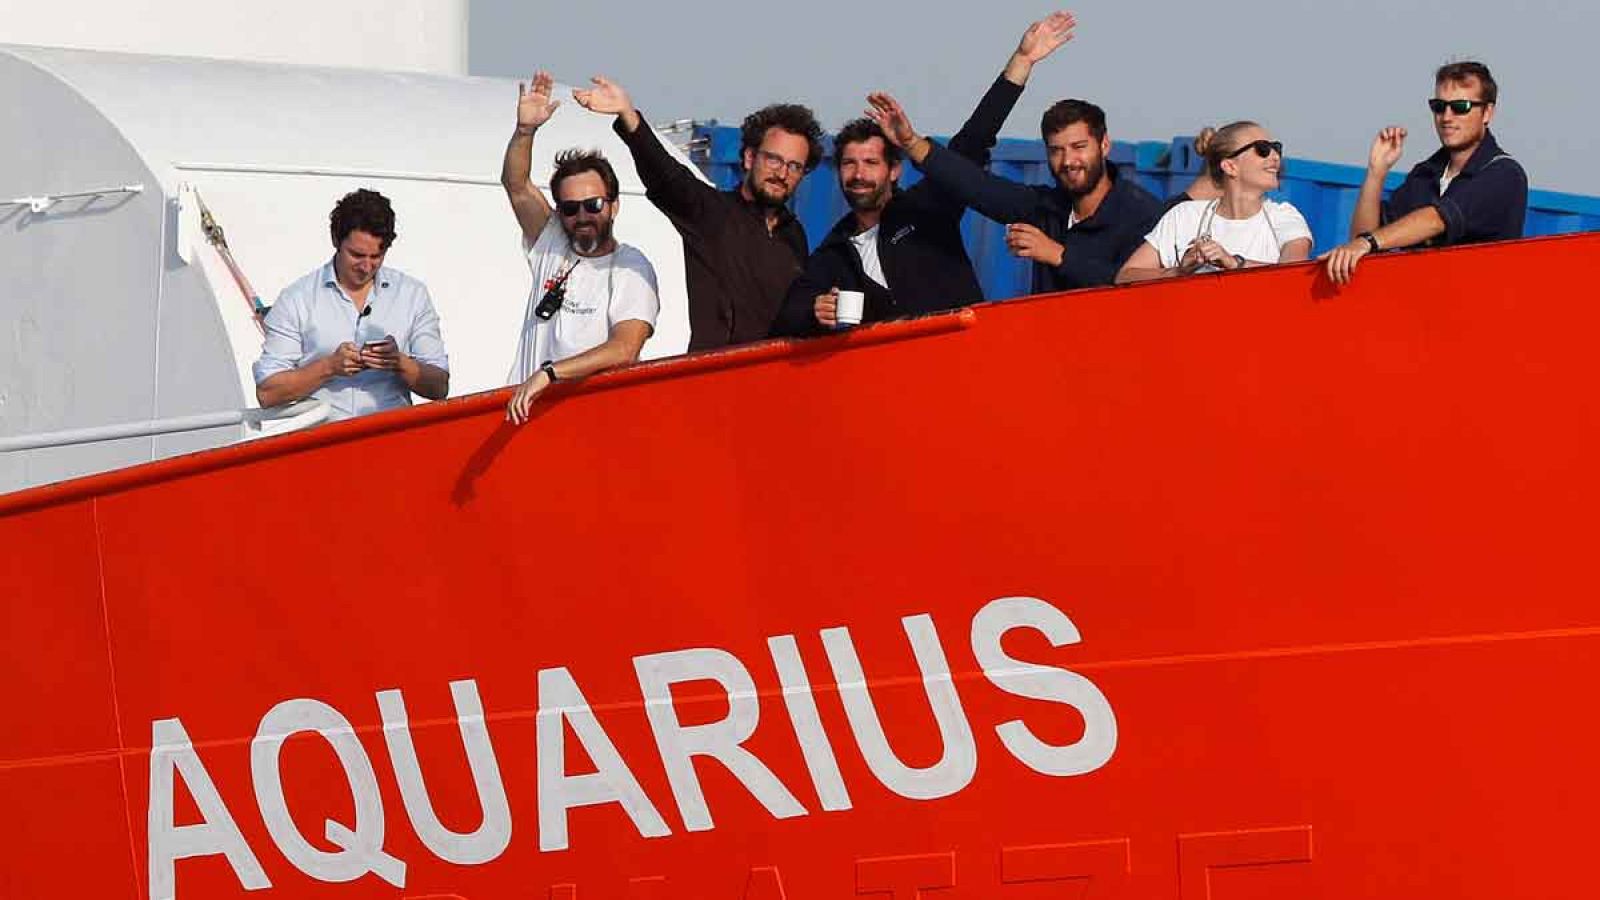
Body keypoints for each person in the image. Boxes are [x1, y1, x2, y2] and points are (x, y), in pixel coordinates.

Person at [865, 11, 1162, 294]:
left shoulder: (1141, 214)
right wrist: (910, 141)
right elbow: (972, 183)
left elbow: (1144, 286)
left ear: (1104, 145)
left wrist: (1058, 254)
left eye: (1079, 147)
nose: (1069, 161)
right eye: (1056, 151)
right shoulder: (1045, 208)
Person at [572, 76, 823, 350]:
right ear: (750, 158)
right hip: (717, 379)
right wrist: (629, 116)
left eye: (794, 166)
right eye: (773, 159)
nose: (782, 173)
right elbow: (666, 175)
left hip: (776, 379)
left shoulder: (794, 234)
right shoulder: (712, 212)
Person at [501, 71, 660, 425]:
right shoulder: (553, 242)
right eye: (571, 208)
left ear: (614, 205)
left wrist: (550, 374)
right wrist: (525, 131)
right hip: (523, 418)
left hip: (586, 425)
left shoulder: (630, 266)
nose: (583, 216)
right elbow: (516, 184)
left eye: (593, 205)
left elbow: (625, 349)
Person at [770, 112, 992, 335]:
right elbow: (788, 318)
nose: (859, 174)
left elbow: (971, 144)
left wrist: (1012, 79)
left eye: (871, 162)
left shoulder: (925, 209)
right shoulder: (834, 252)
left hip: (966, 357)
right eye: (849, 163)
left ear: (894, 170)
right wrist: (815, 311)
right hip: (894, 367)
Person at [1324, 61, 1528, 285]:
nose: (1447, 117)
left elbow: (1437, 219)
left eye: (1460, 107)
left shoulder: (1504, 175)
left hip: (1475, 313)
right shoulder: (1424, 175)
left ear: (1487, 112)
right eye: (1439, 106)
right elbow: (1361, 241)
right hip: (1421, 311)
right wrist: (1376, 173)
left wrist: (1367, 242)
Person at [253, 189, 449, 420]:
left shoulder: (412, 294)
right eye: (356, 255)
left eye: (376, 256)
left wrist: (400, 363)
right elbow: (267, 393)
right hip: (323, 443)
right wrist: (330, 367)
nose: (366, 267)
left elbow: (440, 387)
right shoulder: (296, 299)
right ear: (335, 240)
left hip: (392, 441)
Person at [1117, 122, 1312, 282]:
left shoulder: (1285, 216)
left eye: (1276, 148)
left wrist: (1235, 264)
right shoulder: (1184, 215)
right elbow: (1126, 276)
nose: (1275, 157)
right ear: (1230, 166)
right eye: (1262, 149)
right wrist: (1180, 272)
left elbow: (1293, 275)